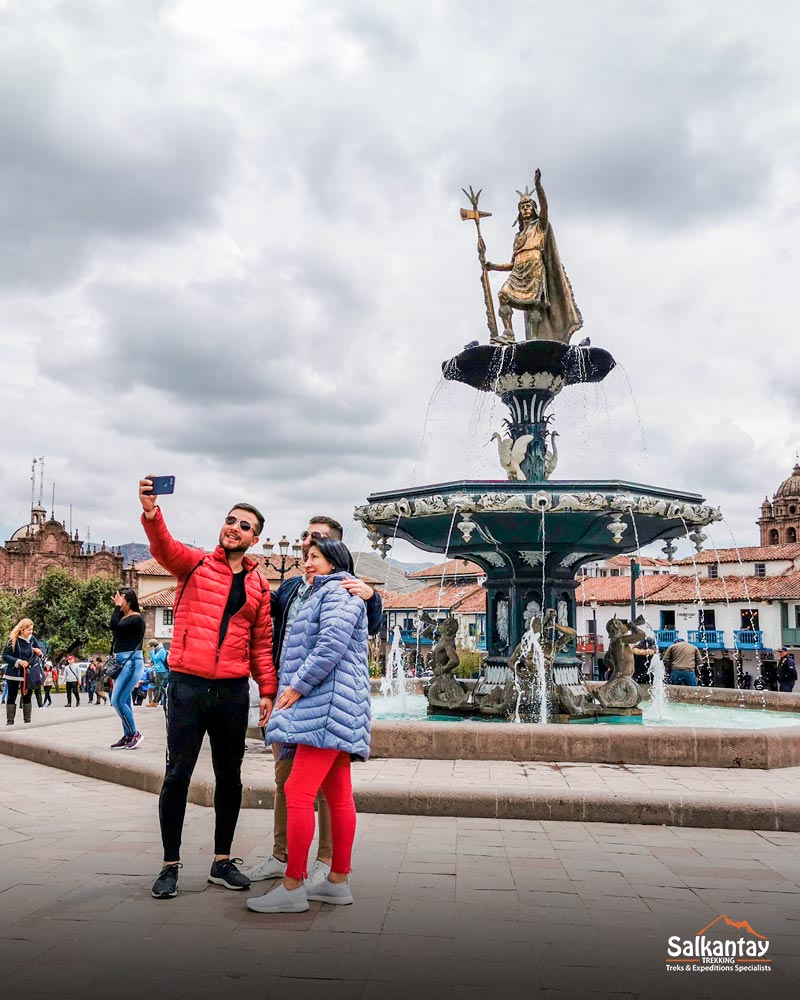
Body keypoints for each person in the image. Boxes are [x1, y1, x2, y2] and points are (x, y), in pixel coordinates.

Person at [138, 479, 277, 901]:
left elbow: (262, 643)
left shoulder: (258, 587)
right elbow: (163, 546)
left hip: (233, 691)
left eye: (245, 525)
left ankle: (221, 860)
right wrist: (150, 512)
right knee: (177, 776)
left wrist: (267, 689)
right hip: (187, 687)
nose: (234, 527)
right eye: (231, 520)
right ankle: (169, 865)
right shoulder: (194, 565)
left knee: (230, 778)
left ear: (256, 538)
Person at [245, 515, 383, 888]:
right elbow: (265, 611)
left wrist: (296, 689)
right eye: (306, 548)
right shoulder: (300, 588)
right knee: (331, 790)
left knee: (300, 791)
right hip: (318, 703)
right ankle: (335, 880)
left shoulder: (344, 590)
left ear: (336, 558)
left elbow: (331, 645)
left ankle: (295, 883)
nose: (307, 556)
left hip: (321, 704)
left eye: (316, 551)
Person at [483, 168, 582, 345]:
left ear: (534, 209)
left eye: (528, 205)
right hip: (519, 271)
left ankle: (535, 338)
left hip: (535, 269)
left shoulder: (540, 227)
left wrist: (538, 186)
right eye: (522, 207)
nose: (525, 208)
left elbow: (545, 207)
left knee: (534, 305)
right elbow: (512, 264)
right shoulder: (518, 237)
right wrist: (492, 266)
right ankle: (508, 333)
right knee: (503, 295)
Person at [108, 588, 146, 748]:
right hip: (121, 662)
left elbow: (113, 626)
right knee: (125, 700)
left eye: (120, 599)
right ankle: (128, 735)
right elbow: (114, 626)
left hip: (132, 662)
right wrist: (117, 608)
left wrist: (116, 608)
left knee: (117, 700)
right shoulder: (125, 618)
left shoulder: (136, 619)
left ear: (128, 601)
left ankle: (135, 733)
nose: (117, 601)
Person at [2, 618, 44, 725]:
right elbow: (5, 656)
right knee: (12, 696)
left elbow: (40, 655)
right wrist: (19, 662)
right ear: (22, 629)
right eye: (28, 629)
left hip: (28, 674)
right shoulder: (12, 640)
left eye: (31, 629)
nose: (31, 632)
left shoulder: (32, 640)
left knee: (27, 696)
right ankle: (10, 721)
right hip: (14, 674)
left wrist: (39, 652)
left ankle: (27, 721)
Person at [148, 640, 169, 707]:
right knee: (159, 685)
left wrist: (151, 653)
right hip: (159, 669)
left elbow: (155, 658)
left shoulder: (161, 651)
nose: (151, 648)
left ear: (154, 646)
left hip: (162, 670)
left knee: (158, 685)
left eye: (151, 647)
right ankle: (168, 696)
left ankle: (155, 701)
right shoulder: (158, 650)